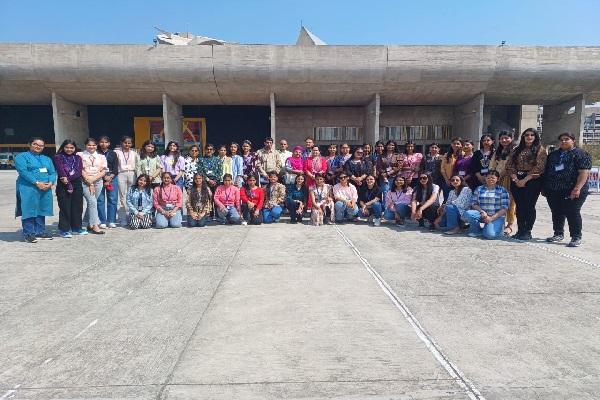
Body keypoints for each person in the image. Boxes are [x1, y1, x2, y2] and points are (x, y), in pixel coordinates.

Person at [543, 132, 592, 247]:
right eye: (561, 140)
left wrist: (577, 188)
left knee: (572, 211)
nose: (563, 141)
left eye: (566, 139)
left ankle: (576, 236)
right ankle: (558, 233)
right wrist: (545, 188)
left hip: (573, 189)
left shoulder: (581, 154)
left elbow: (584, 173)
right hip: (554, 189)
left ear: (573, 140)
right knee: (556, 212)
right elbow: (547, 171)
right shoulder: (553, 155)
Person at [505, 128, 547, 240]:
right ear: (523, 137)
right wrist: (515, 179)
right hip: (516, 179)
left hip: (532, 180)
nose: (529, 137)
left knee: (529, 206)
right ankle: (520, 230)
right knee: (520, 206)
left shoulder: (540, 150)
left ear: (535, 136)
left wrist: (524, 180)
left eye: (532, 135)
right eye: (526, 135)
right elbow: (509, 165)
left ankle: (527, 231)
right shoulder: (516, 149)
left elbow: (539, 167)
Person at [15, 137, 57, 242]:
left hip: (45, 188)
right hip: (28, 187)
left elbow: (52, 172)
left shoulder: (47, 159)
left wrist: (51, 182)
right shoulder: (21, 157)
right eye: (35, 144)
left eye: (41, 145)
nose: (38, 146)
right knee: (28, 209)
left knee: (41, 209)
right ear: (29, 144)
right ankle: (29, 234)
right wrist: (37, 183)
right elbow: (23, 171)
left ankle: (40, 232)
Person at [464, 171, 509, 239]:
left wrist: (491, 218)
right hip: (482, 215)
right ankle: (477, 231)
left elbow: (504, 208)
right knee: (469, 213)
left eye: (493, 178)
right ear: (485, 178)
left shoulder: (502, 190)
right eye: (488, 178)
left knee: (489, 235)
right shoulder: (479, 188)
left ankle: (494, 227)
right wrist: (482, 211)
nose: (490, 179)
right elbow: (473, 203)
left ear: (498, 179)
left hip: (496, 216)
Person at [53, 139, 84, 238]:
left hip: (76, 184)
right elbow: (60, 170)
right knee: (64, 207)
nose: (69, 149)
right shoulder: (58, 157)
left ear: (75, 148)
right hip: (63, 185)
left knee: (77, 207)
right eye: (67, 147)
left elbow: (78, 172)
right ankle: (64, 229)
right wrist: (65, 181)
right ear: (63, 147)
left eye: (71, 148)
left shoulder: (78, 157)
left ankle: (77, 228)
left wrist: (68, 179)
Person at [490, 131, 517, 235]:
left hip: (509, 178)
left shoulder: (515, 150)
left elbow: (511, 166)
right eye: (502, 138)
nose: (504, 140)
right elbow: (492, 164)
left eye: (506, 138)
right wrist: (492, 176)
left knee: (510, 202)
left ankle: (509, 225)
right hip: (497, 179)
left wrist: (501, 175)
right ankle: (499, 222)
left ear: (511, 139)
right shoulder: (498, 151)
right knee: (498, 201)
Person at [78, 138, 107, 234]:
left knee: (92, 202)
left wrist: (93, 180)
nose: (91, 147)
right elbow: (80, 169)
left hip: (98, 182)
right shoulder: (80, 155)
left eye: (94, 145)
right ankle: (95, 225)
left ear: (96, 146)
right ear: (85, 145)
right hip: (85, 181)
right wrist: (89, 181)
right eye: (89, 145)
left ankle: (88, 223)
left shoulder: (101, 156)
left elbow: (103, 171)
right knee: (92, 202)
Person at [114, 135, 139, 226]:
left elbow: (137, 164)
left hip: (132, 173)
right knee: (122, 196)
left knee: (132, 195)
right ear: (121, 143)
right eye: (125, 142)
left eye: (129, 143)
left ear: (131, 144)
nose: (127, 144)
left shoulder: (134, 153)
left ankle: (131, 216)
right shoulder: (117, 152)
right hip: (121, 174)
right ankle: (122, 218)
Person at [97, 135, 119, 229]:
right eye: (101, 142)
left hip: (112, 177)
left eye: (106, 142)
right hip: (98, 177)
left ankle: (111, 220)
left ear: (109, 143)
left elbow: (115, 168)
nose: (103, 144)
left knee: (112, 200)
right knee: (100, 200)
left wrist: (110, 177)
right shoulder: (96, 153)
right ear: (98, 143)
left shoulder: (113, 153)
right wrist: (102, 177)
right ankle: (102, 221)